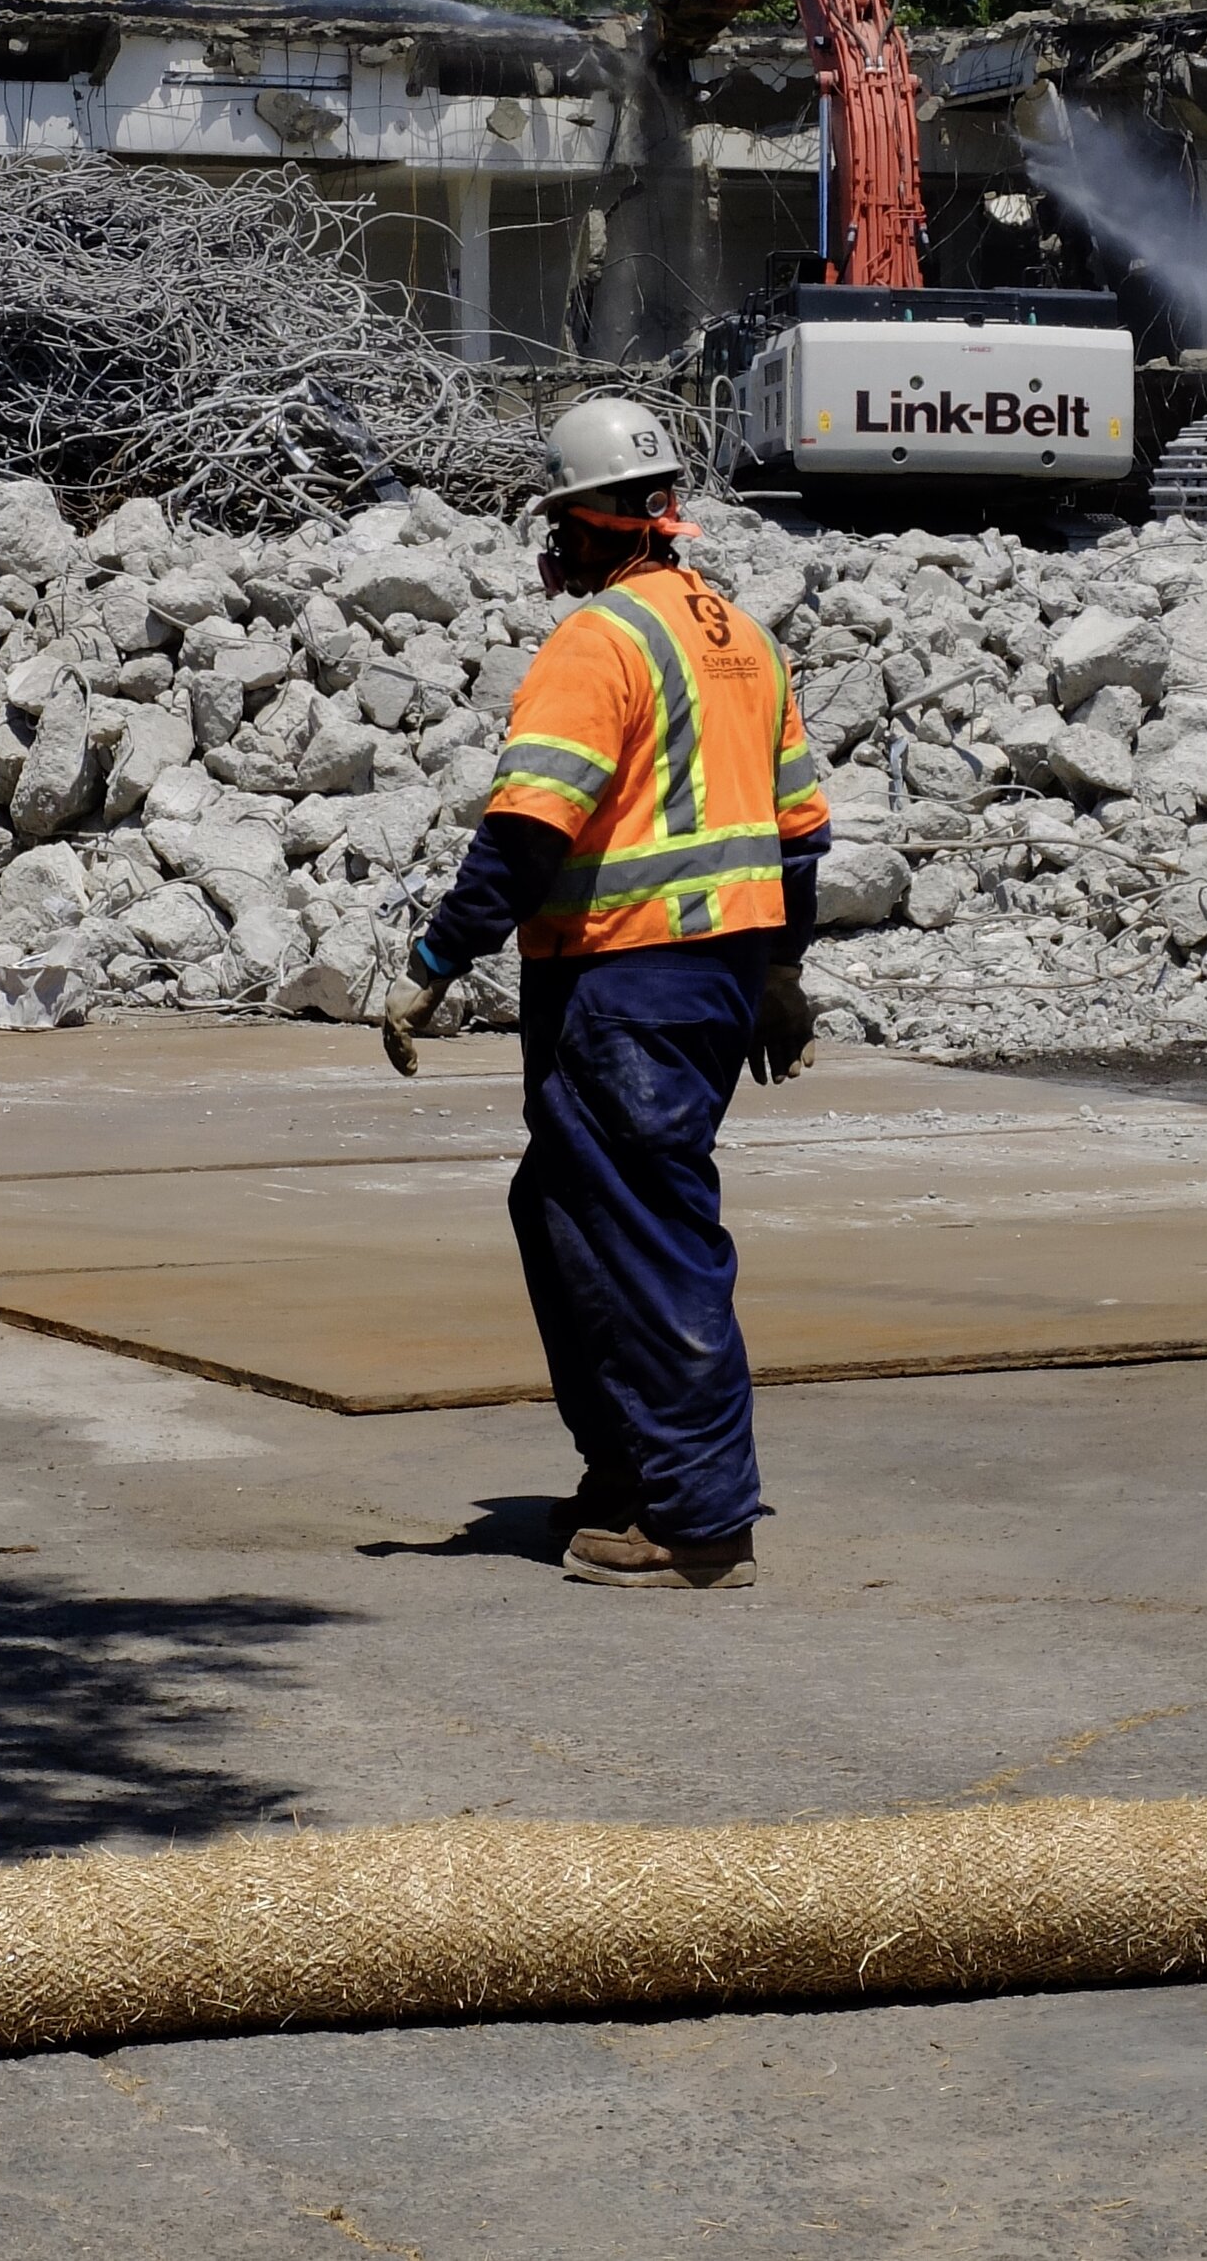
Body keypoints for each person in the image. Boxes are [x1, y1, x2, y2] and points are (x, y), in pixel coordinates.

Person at [382, 397, 830, 1589]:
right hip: (713, 977)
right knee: (565, 1212)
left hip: (620, 981)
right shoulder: (738, 634)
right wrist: (779, 969)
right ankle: (630, 1469)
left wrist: (433, 965)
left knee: (642, 1235)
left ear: (594, 518)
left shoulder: (600, 640)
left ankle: (696, 1521)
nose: (553, 549)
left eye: (558, 524)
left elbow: (531, 826)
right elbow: (799, 830)